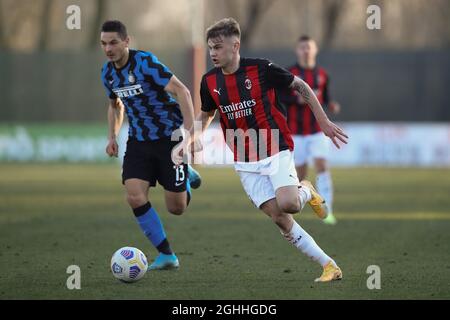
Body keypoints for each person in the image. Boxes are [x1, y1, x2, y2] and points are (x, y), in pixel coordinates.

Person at [177, 18, 348, 282]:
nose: (213, 53)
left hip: (274, 147)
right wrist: (187, 139)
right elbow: (207, 114)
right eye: (210, 47)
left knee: (289, 204)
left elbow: (300, 86)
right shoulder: (209, 80)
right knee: (279, 218)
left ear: (235, 46)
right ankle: (329, 265)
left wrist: (323, 121)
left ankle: (306, 190)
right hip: (244, 159)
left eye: (218, 47)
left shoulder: (261, 69)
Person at [100, 20, 201, 270]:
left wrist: (191, 135)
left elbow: (183, 92)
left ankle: (185, 175)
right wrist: (112, 136)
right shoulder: (108, 73)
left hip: (169, 138)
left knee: (176, 208)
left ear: (126, 41)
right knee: (134, 197)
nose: (108, 48)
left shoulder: (145, 63)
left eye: (113, 42)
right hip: (139, 141)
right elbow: (115, 105)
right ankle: (167, 255)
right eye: (103, 43)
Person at [283, 35, 341, 225]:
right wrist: (296, 100)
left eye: (309, 47)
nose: (306, 50)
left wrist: (331, 104)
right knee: (299, 174)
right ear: (297, 50)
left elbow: (324, 98)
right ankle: (298, 203)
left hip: (317, 131)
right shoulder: (289, 73)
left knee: (322, 166)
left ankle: (328, 211)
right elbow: (280, 97)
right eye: (302, 47)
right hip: (295, 132)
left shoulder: (322, 74)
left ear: (315, 50)